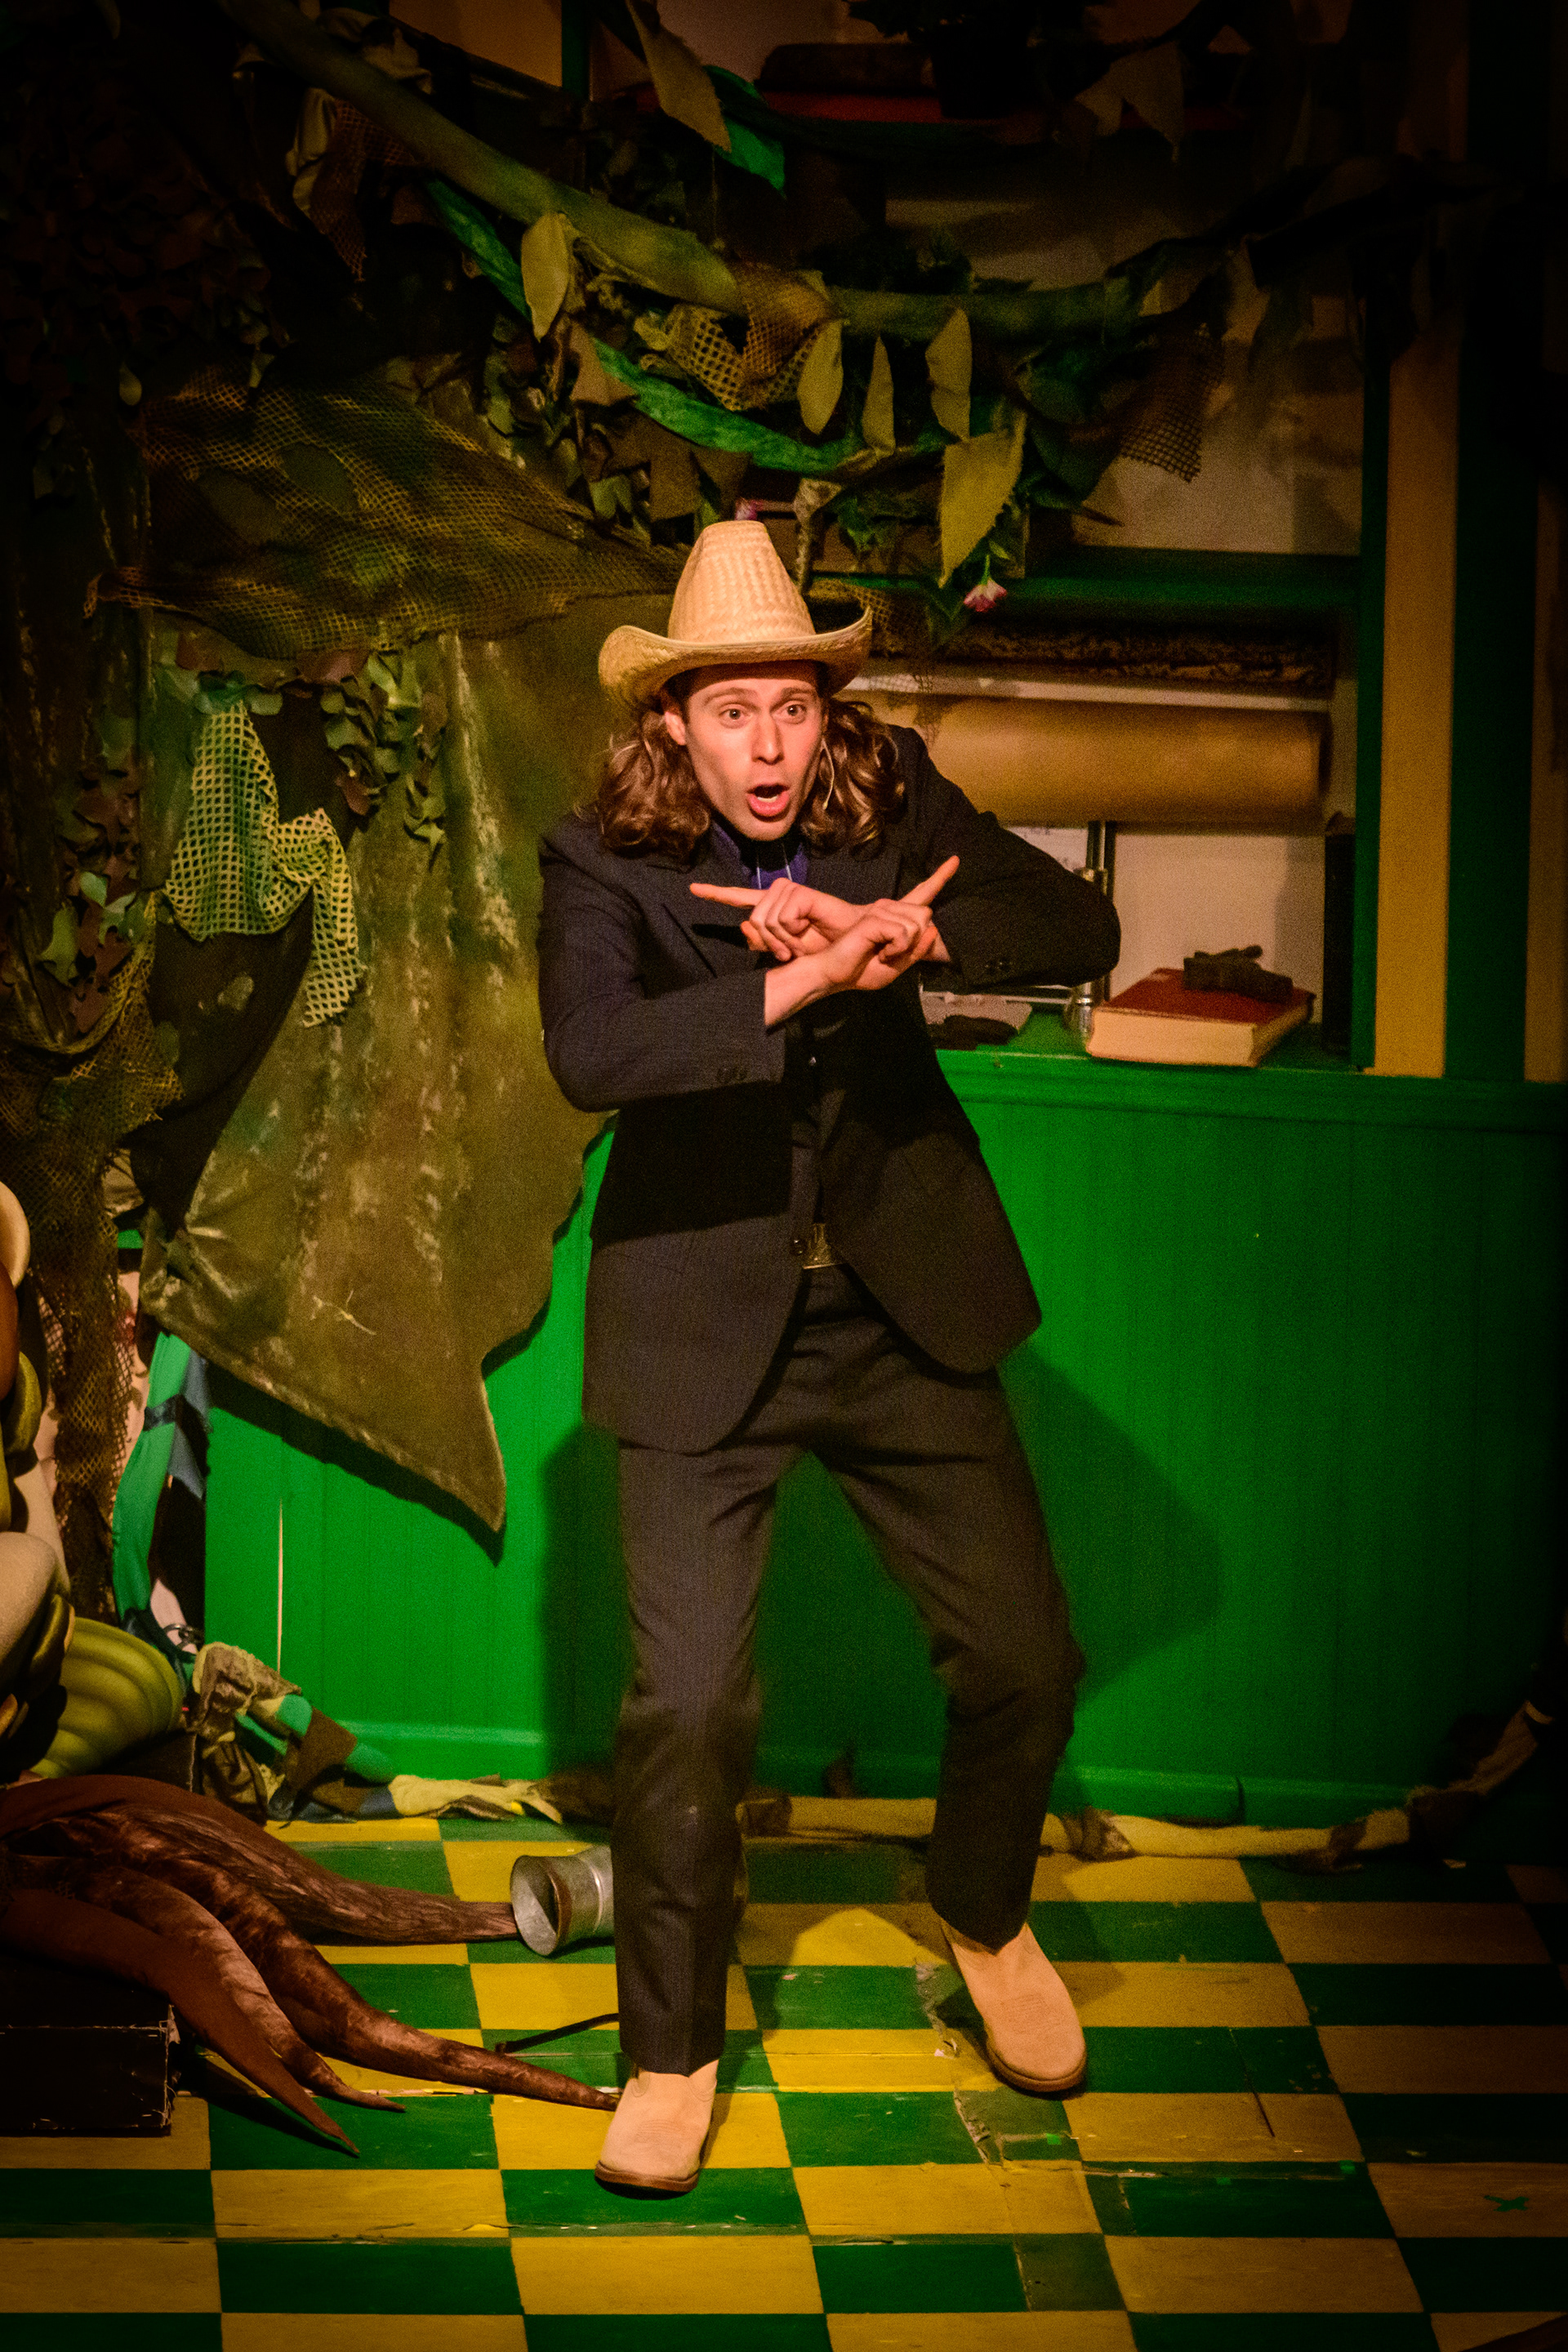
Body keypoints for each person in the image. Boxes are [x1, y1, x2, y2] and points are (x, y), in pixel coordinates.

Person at [537, 521, 1120, 2196]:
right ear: (675, 725)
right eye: (732, 714)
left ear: (826, 710)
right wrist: (791, 988)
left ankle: (985, 1914)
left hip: (894, 1305)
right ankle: (670, 2051)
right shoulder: (605, 858)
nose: (770, 746)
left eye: (792, 707)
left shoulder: (894, 800)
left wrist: (911, 939)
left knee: (1025, 1658)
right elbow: (593, 1050)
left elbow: (1070, 918)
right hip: (701, 1322)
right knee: (689, 1707)